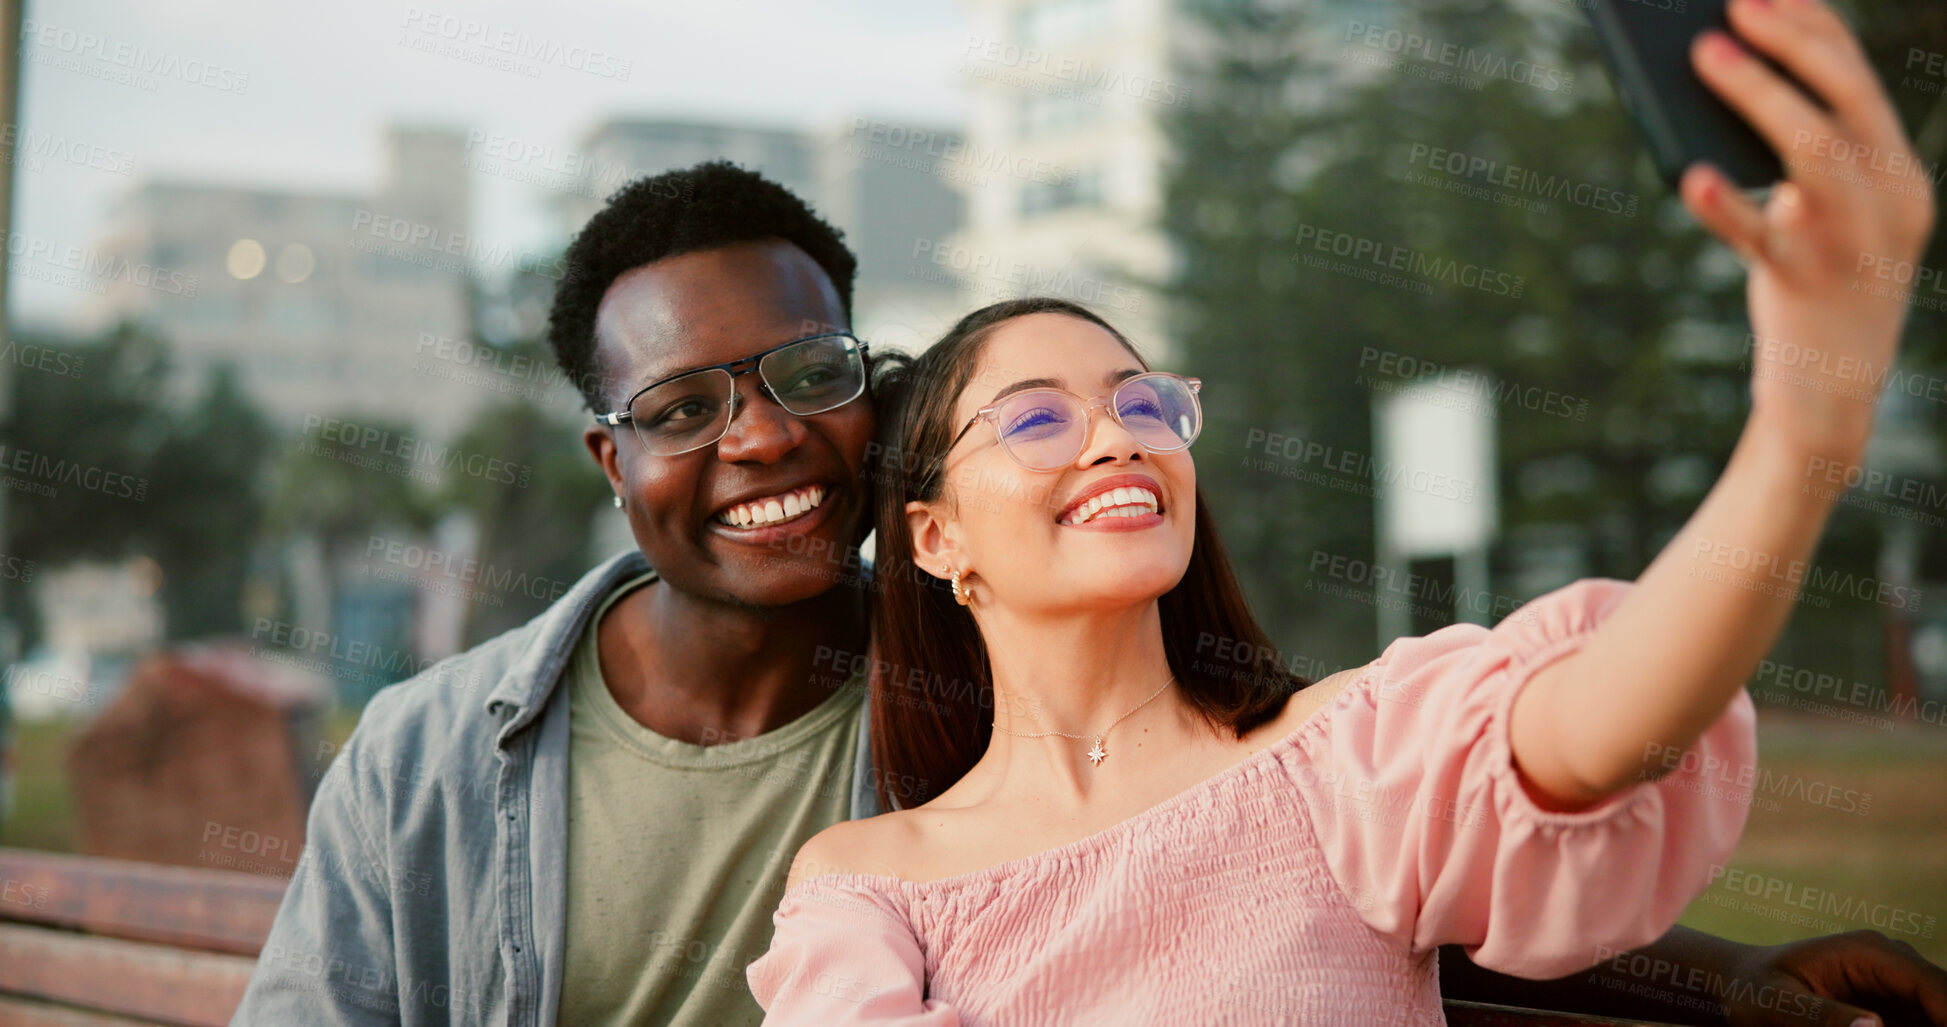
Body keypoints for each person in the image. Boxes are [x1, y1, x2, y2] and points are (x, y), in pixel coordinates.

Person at [234, 156, 1941, 1024]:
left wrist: (1710, 977)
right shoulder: (434, 757)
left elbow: (1424, 805)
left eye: (809, 372)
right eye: (681, 407)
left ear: (878, 422)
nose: (757, 435)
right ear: (614, 459)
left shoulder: (961, 703)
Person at [747, 1, 1945, 1023]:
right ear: (935, 537)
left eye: (1145, 403)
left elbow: (1600, 728)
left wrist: (1805, 433)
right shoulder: (868, 888)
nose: (1121, 435)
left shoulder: (1347, 758)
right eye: (1038, 420)